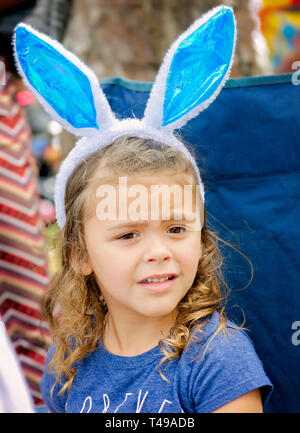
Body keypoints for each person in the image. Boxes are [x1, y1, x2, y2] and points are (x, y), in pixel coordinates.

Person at [13, 6, 273, 413]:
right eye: (128, 234)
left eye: (175, 229)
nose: (158, 251)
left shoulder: (217, 362)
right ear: (80, 253)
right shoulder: (69, 359)